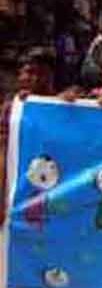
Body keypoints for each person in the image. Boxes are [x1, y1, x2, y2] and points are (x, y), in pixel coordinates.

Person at [1, 47, 57, 225]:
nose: (36, 79)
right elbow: (3, 153)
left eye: (42, 73)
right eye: (30, 72)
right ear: (20, 76)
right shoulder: (12, 110)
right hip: (18, 191)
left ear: (51, 76)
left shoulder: (64, 108)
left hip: (54, 193)